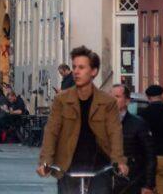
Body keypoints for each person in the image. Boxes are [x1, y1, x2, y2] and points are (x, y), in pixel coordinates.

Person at [37, 46, 129, 194]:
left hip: (99, 167)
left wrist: (119, 161)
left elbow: (115, 133)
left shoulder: (108, 102)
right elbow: (51, 131)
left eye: (81, 67)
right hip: (67, 166)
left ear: (94, 71)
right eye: (74, 67)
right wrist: (45, 161)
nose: (76, 71)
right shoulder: (61, 100)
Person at [112, 83, 157, 194]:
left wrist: (148, 184)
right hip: (106, 181)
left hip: (131, 181)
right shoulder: (100, 123)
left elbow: (150, 155)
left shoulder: (138, 124)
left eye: (117, 97)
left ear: (127, 101)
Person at [141, 85, 163, 194]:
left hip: (147, 158)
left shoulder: (142, 114)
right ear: (161, 96)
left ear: (148, 98)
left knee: (147, 189)